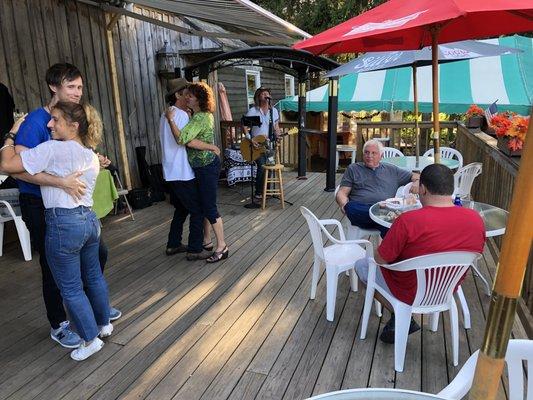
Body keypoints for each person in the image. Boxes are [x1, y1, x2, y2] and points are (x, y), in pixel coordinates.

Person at [9, 63, 120, 350]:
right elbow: (16, 168)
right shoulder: (37, 122)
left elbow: (72, 156)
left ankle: (88, 311)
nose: (77, 92)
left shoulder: (72, 120)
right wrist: (60, 182)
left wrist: (94, 160)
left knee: (95, 256)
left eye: (80, 87)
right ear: (53, 88)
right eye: (71, 87)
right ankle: (59, 323)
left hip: (72, 208)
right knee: (51, 265)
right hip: (39, 202)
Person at [354, 163, 486, 343]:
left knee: (362, 264)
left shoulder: (408, 221)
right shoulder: (476, 220)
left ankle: (399, 314)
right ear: (451, 188)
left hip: (408, 291)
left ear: (422, 189)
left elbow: (380, 259)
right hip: (447, 288)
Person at [164, 82, 228, 263]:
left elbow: (185, 140)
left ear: (199, 99)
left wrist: (170, 119)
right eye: (185, 95)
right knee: (203, 204)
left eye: (190, 95)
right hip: (199, 168)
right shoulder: (195, 116)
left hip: (207, 166)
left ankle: (222, 246)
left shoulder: (200, 117)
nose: (187, 97)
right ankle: (206, 241)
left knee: (209, 207)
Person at [159, 78, 211, 260]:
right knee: (198, 209)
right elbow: (187, 141)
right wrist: (211, 147)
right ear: (177, 95)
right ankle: (195, 249)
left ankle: (173, 244)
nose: (189, 95)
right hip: (181, 171)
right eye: (186, 92)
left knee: (181, 209)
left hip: (170, 171)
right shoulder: (179, 115)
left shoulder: (166, 114)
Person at [336, 139, 419, 238]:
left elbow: (418, 176)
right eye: (366, 152)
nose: (369, 156)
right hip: (362, 212)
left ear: (381, 156)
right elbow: (342, 192)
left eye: (373, 153)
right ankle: (386, 221)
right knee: (351, 207)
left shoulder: (392, 170)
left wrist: (417, 182)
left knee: (390, 225)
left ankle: (386, 239)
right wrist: (343, 204)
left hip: (385, 210)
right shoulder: (353, 169)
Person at [244, 87, 281, 199]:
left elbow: (276, 127)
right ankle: (259, 191)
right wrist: (251, 139)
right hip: (256, 144)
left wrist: (278, 135)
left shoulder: (273, 111)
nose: (266, 95)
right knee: (261, 166)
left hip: (269, 144)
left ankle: (267, 191)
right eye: (263, 93)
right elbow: (245, 126)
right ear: (258, 97)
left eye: (267, 93)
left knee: (269, 165)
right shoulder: (253, 111)